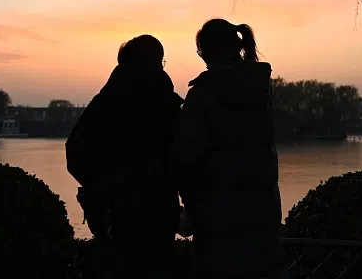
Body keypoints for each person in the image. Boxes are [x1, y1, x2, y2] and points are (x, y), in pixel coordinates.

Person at [173, 19, 287, 279]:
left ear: (207, 51)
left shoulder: (201, 95)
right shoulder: (261, 90)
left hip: (217, 220)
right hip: (264, 215)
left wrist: (189, 210)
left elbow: (186, 160)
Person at [66, 35, 184, 279]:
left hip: (115, 214)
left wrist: (100, 187)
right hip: (159, 213)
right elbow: (185, 159)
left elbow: (74, 153)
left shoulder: (105, 104)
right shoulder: (169, 106)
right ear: (158, 63)